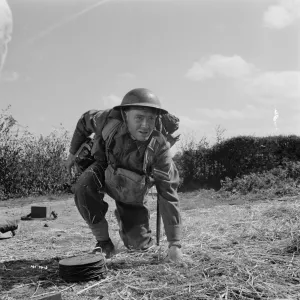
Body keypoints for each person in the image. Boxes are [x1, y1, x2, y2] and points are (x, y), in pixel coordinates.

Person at [66, 88, 182, 262]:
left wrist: (175, 244)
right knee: (84, 185)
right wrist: (72, 154)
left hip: (132, 190)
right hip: (105, 171)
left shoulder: (159, 147)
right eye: (139, 117)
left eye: (151, 118)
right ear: (125, 114)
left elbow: (168, 193)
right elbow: (84, 120)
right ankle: (103, 243)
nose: (145, 125)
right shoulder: (107, 120)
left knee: (138, 246)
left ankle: (129, 224)